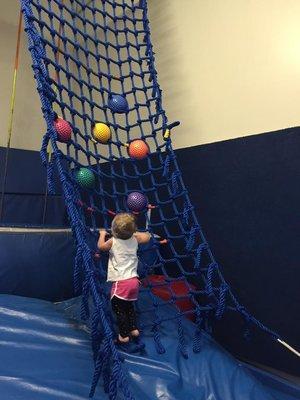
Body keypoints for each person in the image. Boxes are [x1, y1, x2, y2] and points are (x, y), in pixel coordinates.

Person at [97, 213, 151, 343]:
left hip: (121, 283)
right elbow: (147, 237)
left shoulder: (113, 241)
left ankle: (123, 335)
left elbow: (101, 247)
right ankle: (134, 329)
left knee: (118, 309)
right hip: (134, 281)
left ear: (114, 231)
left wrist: (102, 234)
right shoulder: (135, 239)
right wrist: (135, 233)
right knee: (129, 306)